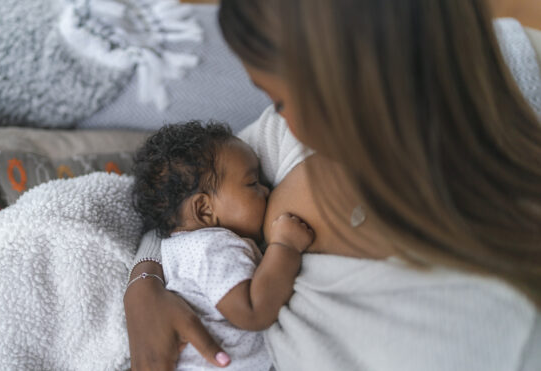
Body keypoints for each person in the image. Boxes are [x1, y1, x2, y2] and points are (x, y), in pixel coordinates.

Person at [124, 0, 541, 370]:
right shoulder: (288, 142)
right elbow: (179, 197)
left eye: (283, 101)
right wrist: (144, 284)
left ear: (347, 84)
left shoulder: (485, 332)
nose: (276, 116)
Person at [131, 121, 314, 370]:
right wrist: (285, 246)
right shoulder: (213, 248)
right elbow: (252, 310)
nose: (267, 190)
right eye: (252, 183)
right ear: (204, 210)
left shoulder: (179, 249)